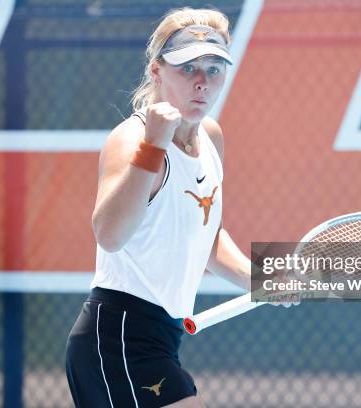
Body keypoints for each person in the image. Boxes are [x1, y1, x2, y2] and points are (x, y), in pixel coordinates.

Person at [66, 8, 293, 407]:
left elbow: (208, 235)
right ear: (156, 71)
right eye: (187, 69)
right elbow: (109, 235)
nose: (202, 82)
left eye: (214, 68)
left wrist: (258, 279)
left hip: (160, 337)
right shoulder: (131, 140)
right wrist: (153, 147)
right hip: (118, 336)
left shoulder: (211, 137)